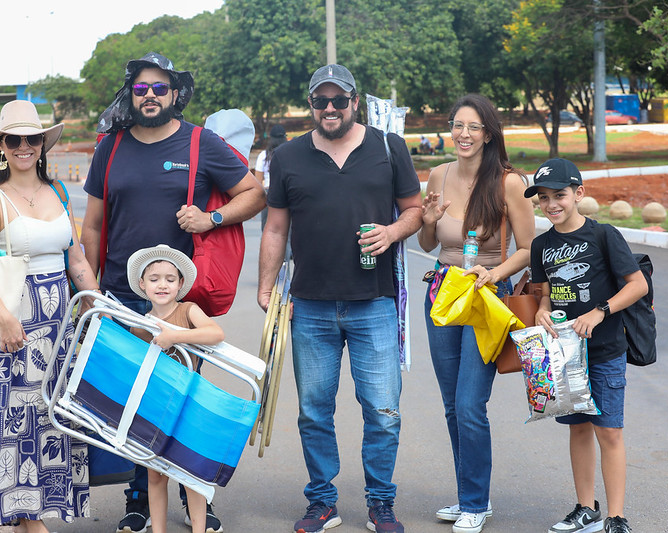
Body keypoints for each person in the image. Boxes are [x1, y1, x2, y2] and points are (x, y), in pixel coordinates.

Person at [80, 51, 265, 533]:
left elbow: (253, 192)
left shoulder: (202, 143)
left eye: (159, 88)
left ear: (176, 93)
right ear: (131, 94)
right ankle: (139, 500)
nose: (149, 96)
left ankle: (193, 498)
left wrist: (211, 219)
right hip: (121, 297)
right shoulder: (111, 147)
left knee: (179, 403)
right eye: (140, 89)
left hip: (178, 302)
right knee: (132, 405)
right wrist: (94, 294)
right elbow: (94, 224)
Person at [257, 63, 422, 533]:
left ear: (355, 101)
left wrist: (391, 231)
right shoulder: (287, 156)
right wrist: (267, 287)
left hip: (374, 303)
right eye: (319, 101)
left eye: (338, 100)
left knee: (384, 411)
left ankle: (380, 502)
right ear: (310, 105)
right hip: (309, 305)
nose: (329, 109)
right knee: (313, 411)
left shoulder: (389, 148)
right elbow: (274, 227)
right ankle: (322, 501)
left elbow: (412, 211)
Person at [0, 100, 99, 533]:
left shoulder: (58, 192)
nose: (24, 146)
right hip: (15, 322)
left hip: (60, 321)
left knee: (52, 414)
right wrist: (3, 318)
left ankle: (36, 512)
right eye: (14, 139)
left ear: (43, 144)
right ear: (1, 145)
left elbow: (75, 258)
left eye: (32, 138)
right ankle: (26, 516)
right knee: (16, 418)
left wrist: (96, 304)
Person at [417, 94, 535, 533]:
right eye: (457, 125)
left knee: (470, 403)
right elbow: (429, 245)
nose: (463, 134)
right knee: (451, 405)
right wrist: (428, 220)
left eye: (473, 127)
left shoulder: (509, 182)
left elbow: (527, 249)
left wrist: (494, 273)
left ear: (488, 133)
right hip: (444, 292)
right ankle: (469, 494)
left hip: (487, 296)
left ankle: (476, 502)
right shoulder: (437, 174)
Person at [525, 158, 647, 533]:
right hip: (565, 357)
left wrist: (600, 311)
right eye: (543, 198)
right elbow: (543, 294)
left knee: (608, 431)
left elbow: (637, 285)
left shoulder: (603, 235)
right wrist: (542, 311)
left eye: (559, 195)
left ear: (579, 194)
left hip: (605, 352)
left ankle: (616, 516)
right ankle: (584, 508)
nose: (551, 205)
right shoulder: (541, 244)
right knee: (577, 429)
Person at [125, 245, 225, 533]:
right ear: (142, 285)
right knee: (155, 476)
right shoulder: (140, 326)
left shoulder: (187, 310)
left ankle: (198, 528)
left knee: (189, 474)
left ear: (181, 284)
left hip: (187, 406)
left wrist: (176, 336)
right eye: (154, 278)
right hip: (155, 407)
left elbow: (216, 333)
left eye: (170, 278)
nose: (162, 284)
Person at [253, 123, 288, 231]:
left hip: (269, 194)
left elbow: (258, 182)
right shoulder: (290, 153)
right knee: (288, 231)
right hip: (287, 193)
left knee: (267, 230)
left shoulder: (263, 156)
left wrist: (254, 205)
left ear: (271, 138)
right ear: (284, 137)